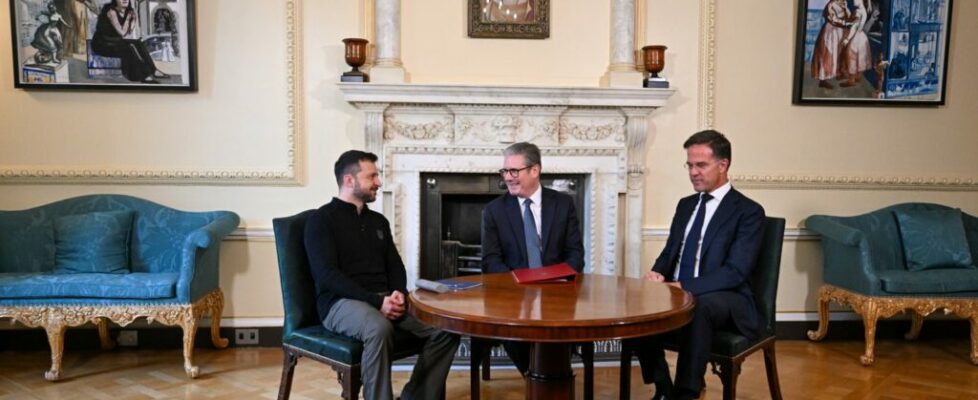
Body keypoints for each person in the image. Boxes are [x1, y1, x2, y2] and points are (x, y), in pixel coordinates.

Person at [304, 150, 460, 400]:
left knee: (446, 328)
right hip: (339, 304)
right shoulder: (321, 220)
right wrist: (377, 302)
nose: (378, 182)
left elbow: (395, 266)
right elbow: (326, 275)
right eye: (372, 176)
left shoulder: (378, 221)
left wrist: (398, 293)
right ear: (349, 180)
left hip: (385, 298)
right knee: (378, 327)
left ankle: (416, 396)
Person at [631, 130, 765, 400]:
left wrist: (681, 287)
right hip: (681, 290)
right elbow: (671, 252)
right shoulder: (686, 205)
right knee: (637, 300)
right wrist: (657, 275)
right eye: (689, 165)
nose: (693, 172)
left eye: (701, 165)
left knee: (699, 306)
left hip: (729, 298)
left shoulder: (748, 212)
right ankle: (663, 387)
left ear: (723, 165)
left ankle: (687, 392)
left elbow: (735, 272)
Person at [481, 141, 585, 375]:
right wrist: (519, 286)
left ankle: (547, 378)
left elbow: (576, 253)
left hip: (557, 294)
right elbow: (490, 261)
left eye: (514, 171)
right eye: (505, 171)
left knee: (564, 327)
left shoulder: (563, 204)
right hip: (513, 295)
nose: (508, 178)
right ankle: (542, 378)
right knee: (512, 328)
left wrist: (559, 283)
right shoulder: (494, 211)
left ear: (535, 170)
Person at [91, 0, 167, 83]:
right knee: (129, 48)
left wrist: (133, 19)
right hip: (102, 43)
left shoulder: (127, 12)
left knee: (138, 43)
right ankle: (144, 75)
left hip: (115, 42)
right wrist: (128, 18)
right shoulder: (111, 12)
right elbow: (122, 33)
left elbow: (129, 31)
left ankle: (154, 70)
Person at [810, 0, 851, 90]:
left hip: (841, 32)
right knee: (827, 54)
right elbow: (832, 19)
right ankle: (822, 80)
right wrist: (845, 23)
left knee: (838, 54)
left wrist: (845, 8)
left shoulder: (844, 4)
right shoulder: (831, 5)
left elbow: (848, 16)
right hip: (830, 32)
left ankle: (838, 73)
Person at [840, 0, 873, 88]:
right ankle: (858, 77)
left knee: (852, 56)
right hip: (862, 37)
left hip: (856, 36)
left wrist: (847, 39)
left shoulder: (858, 11)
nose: (854, 0)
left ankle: (851, 80)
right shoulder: (864, 10)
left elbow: (854, 27)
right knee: (860, 57)